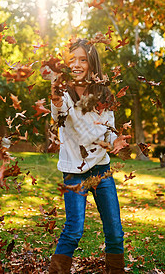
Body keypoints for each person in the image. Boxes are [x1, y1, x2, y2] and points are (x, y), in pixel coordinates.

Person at [47, 38, 130, 274]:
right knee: (74, 230)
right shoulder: (64, 94)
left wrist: (114, 140)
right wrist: (54, 96)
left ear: (92, 64)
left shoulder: (104, 94)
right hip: (74, 171)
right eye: (72, 59)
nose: (77, 63)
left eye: (83, 59)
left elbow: (108, 128)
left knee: (114, 230)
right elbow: (58, 114)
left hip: (101, 169)